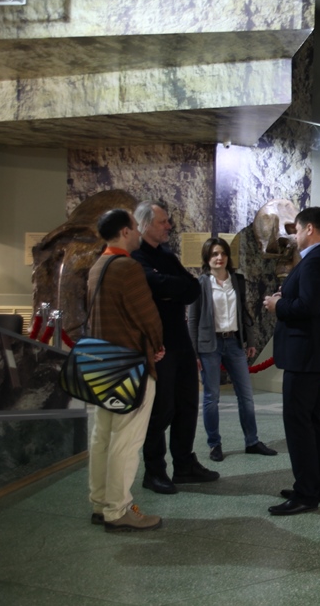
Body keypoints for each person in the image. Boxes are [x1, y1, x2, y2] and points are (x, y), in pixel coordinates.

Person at [86, 208, 166, 532]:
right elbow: (147, 316)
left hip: (101, 362)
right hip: (130, 364)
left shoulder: (97, 266)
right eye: (134, 227)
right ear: (123, 232)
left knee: (102, 436)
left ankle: (101, 501)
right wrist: (157, 345)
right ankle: (119, 510)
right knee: (127, 439)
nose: (137, 232)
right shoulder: (127, 268)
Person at [132, 199, 218, 494]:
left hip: (180, 342)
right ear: (144, 225)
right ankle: (154, 470)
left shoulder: (166, 254)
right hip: (158, 345)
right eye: (163, 222)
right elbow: (156, 285)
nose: (169, 226)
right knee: (161, 409)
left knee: (187, 405)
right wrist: (169, 289)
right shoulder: (135, 256)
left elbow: (192, 288)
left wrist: (169, 289)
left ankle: (184, 464)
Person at [262, 206, 320, 516]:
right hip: (311, 356)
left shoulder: (316, 262)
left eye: (296, 229)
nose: (294, 236)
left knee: (299, 423)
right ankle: (314, 485)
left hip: (306, 357)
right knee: (312, 421)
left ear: (309, 229)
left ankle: (306, 492)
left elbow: (308, 307)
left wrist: (278, 304)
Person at [188, 237, 277, 461]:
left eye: (223, 254)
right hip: (210, 345)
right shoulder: (201, 284)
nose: (219, 258)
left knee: (246, 395)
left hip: (234, 343)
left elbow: (244, 313)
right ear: (207, 258)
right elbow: (193, 319)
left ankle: (252, 441)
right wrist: (194, 352)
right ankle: (214, 444)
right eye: (214, 254)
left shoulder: (237, 280)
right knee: (212, 397)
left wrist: (251, 340)